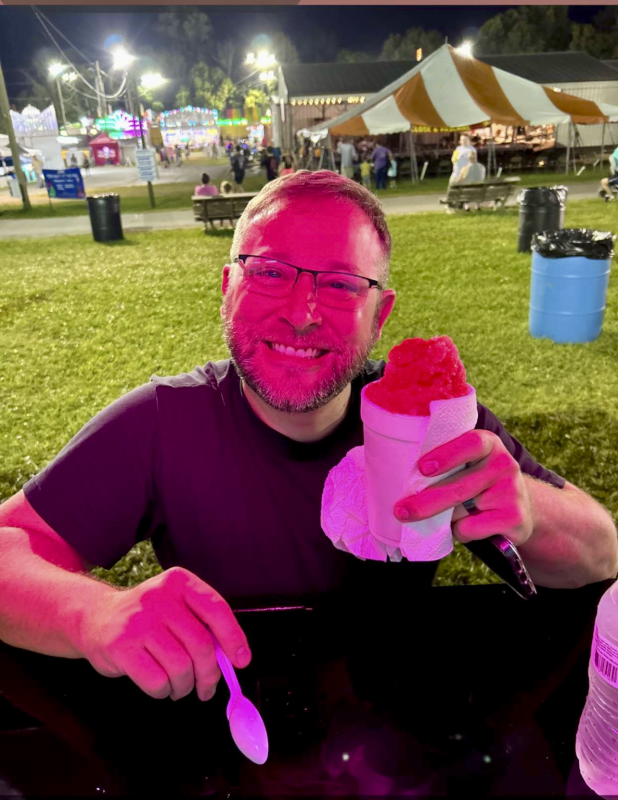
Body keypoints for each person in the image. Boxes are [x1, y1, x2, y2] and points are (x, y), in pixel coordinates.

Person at [1, 168, 616, 710]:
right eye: (270, 273)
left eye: (343, 284)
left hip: (391, 724)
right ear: (227, 288)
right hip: (227, 718)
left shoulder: (432, 417)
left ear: (380, 314)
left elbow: (603, 554)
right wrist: (94, 613)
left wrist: (528, 512)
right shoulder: (161, 424)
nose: (302, 313)